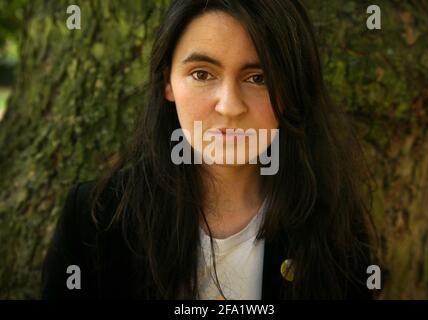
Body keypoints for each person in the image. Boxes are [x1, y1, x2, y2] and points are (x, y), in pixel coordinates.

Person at [42, 0, 379, 300]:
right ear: (167, 82)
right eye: (202, 74)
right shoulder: (94, 222)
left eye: (258, 77)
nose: (230, 106)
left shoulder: (336, 230)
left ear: (291, 90)